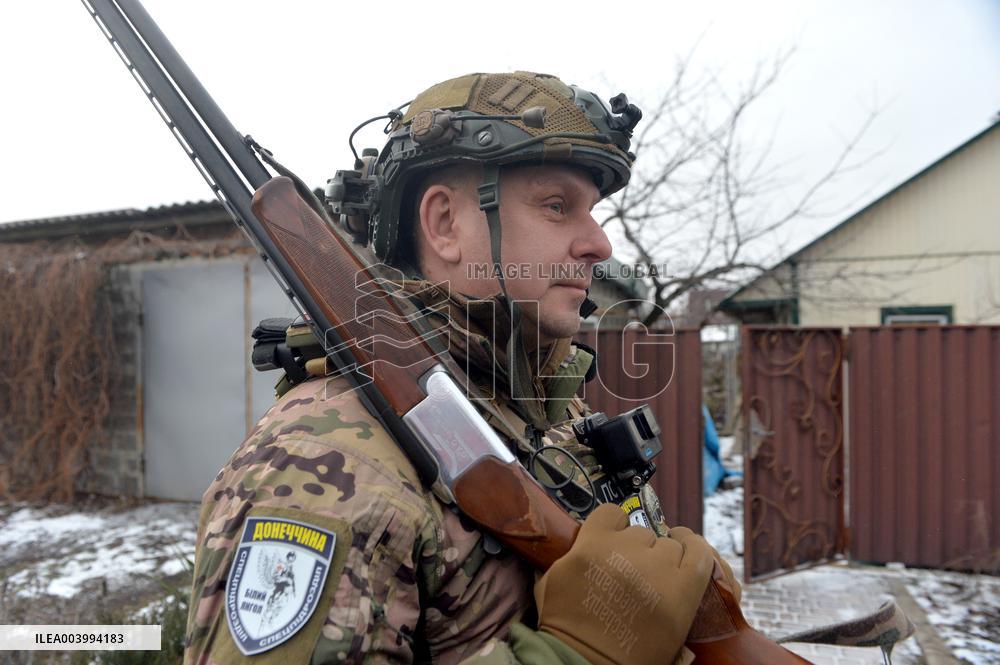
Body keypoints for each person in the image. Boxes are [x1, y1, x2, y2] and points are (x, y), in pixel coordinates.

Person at [184, 71, 739, 665]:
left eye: (593, 211)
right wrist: (569, 657)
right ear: (445, 224)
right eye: (557, 207)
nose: (599, 243)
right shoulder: (321, 460)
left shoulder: (543, 410)